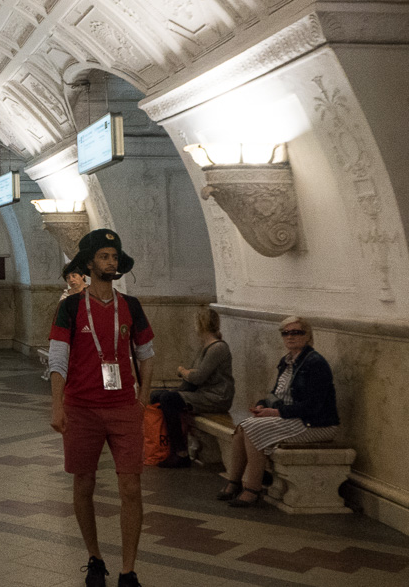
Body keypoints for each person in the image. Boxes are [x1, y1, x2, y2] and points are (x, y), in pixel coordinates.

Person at [47, 229, 155, 587]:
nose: (111, 262)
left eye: (114, 256)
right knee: (84, 482)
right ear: (89, 263)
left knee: (131, 487)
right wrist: (57, 405)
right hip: (81, 408)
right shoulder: (71, 307)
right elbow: (58, 359)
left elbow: (146, 354)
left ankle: (128, 570)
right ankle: (94, 558)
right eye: (104, 256)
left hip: (123, 406)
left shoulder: (131, 306)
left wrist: (143, 398)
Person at [217, 315, 340, 509]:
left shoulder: (315, 363)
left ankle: (253, 488)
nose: (290, 337)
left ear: (308, 336)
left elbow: (313, 406)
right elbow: (276, 394)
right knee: (242, 427)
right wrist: (262, 405)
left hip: (315, 423)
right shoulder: (287, 361)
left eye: (296, 332)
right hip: (291, 418)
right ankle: (234, 481)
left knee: (252, 429)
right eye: (286, 333)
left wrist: (275, 413)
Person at [150, 308, 234, 467]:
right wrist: (180, 386)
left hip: (216, 398)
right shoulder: (206, 347)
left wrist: (182, 371)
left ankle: (180, 452)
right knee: (158, 396)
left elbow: (198, 377)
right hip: (203, 394)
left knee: (169, 399)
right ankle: (165, 447)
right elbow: (194, 376)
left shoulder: (218, 348)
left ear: (200, 325)